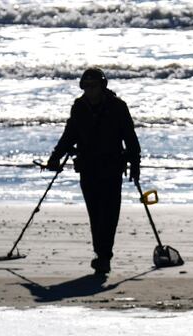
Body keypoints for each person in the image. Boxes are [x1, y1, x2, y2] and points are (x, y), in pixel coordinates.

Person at [45, 67, 141, 277]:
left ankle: (104, 256)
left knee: (109, 213)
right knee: (95, 213)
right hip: (88, 167)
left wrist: (135, 165)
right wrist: (55, 156)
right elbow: (69, 134)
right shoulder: (79, 107)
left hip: (112, 167)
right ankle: (101, 253)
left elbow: (130, 138)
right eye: (86, 86)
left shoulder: (118, 107)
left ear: (102, 86)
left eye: (93, 86)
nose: (89, 90)